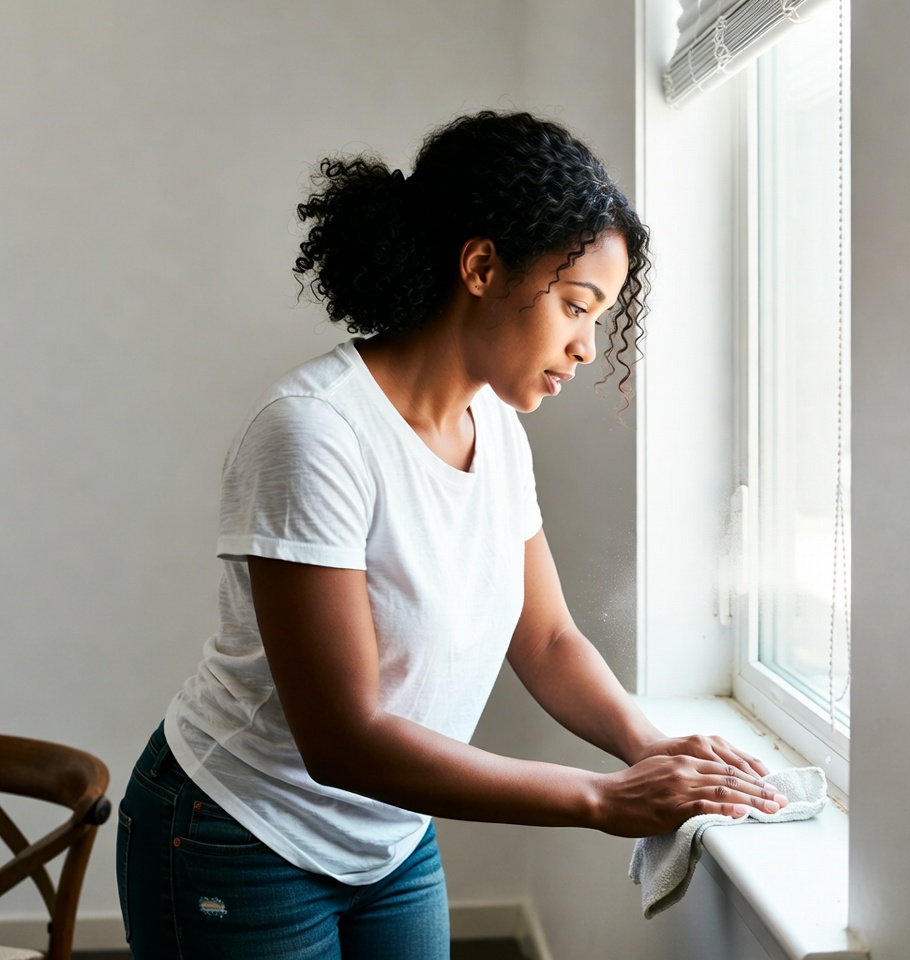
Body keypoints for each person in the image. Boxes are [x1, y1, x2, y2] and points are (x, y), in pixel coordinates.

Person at [115, 110, 787, 960]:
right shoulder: (314, 433)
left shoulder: (496, 429)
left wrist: (646, 743)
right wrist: (598, 799)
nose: (587, 347)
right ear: (480, 265)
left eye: (602, 317)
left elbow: (543, 636)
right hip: (237, 832)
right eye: (577, 305)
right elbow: (344, 739)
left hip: (388, 839)